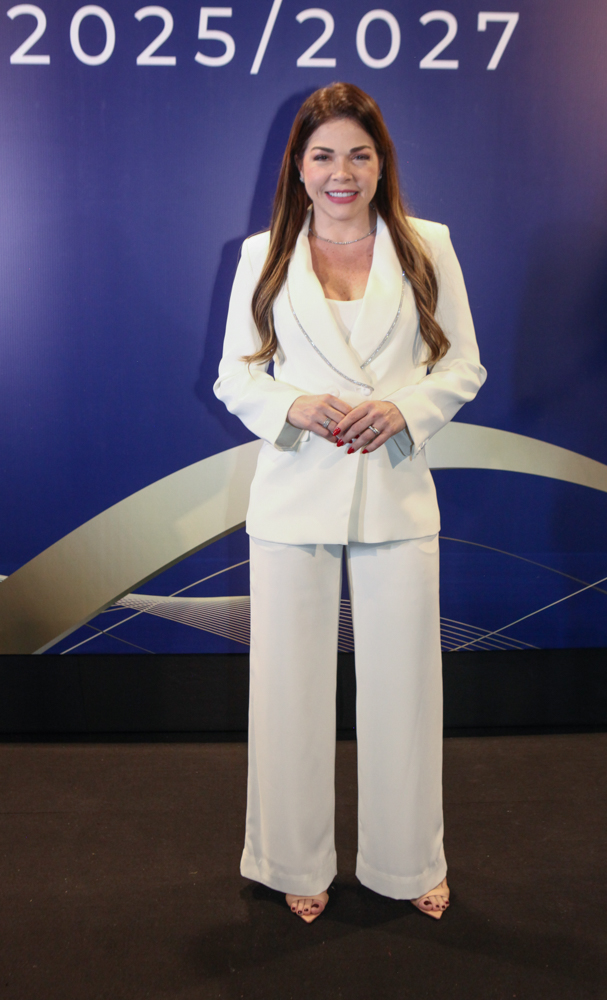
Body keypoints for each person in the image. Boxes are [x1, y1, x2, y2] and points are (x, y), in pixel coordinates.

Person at [213, 82, 486, 923]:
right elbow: (236, 378)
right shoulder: (261, 254)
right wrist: (292, 406)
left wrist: (404, 410)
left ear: (381, 163)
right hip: (293, 495)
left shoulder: (427, 246)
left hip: (394, 493)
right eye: (325, 155)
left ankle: (408, 865)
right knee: (287, 690)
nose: (343, 173)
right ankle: (292, 861)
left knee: (405, 691)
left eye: (359, 155)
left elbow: (462, 366)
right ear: (298, 167)